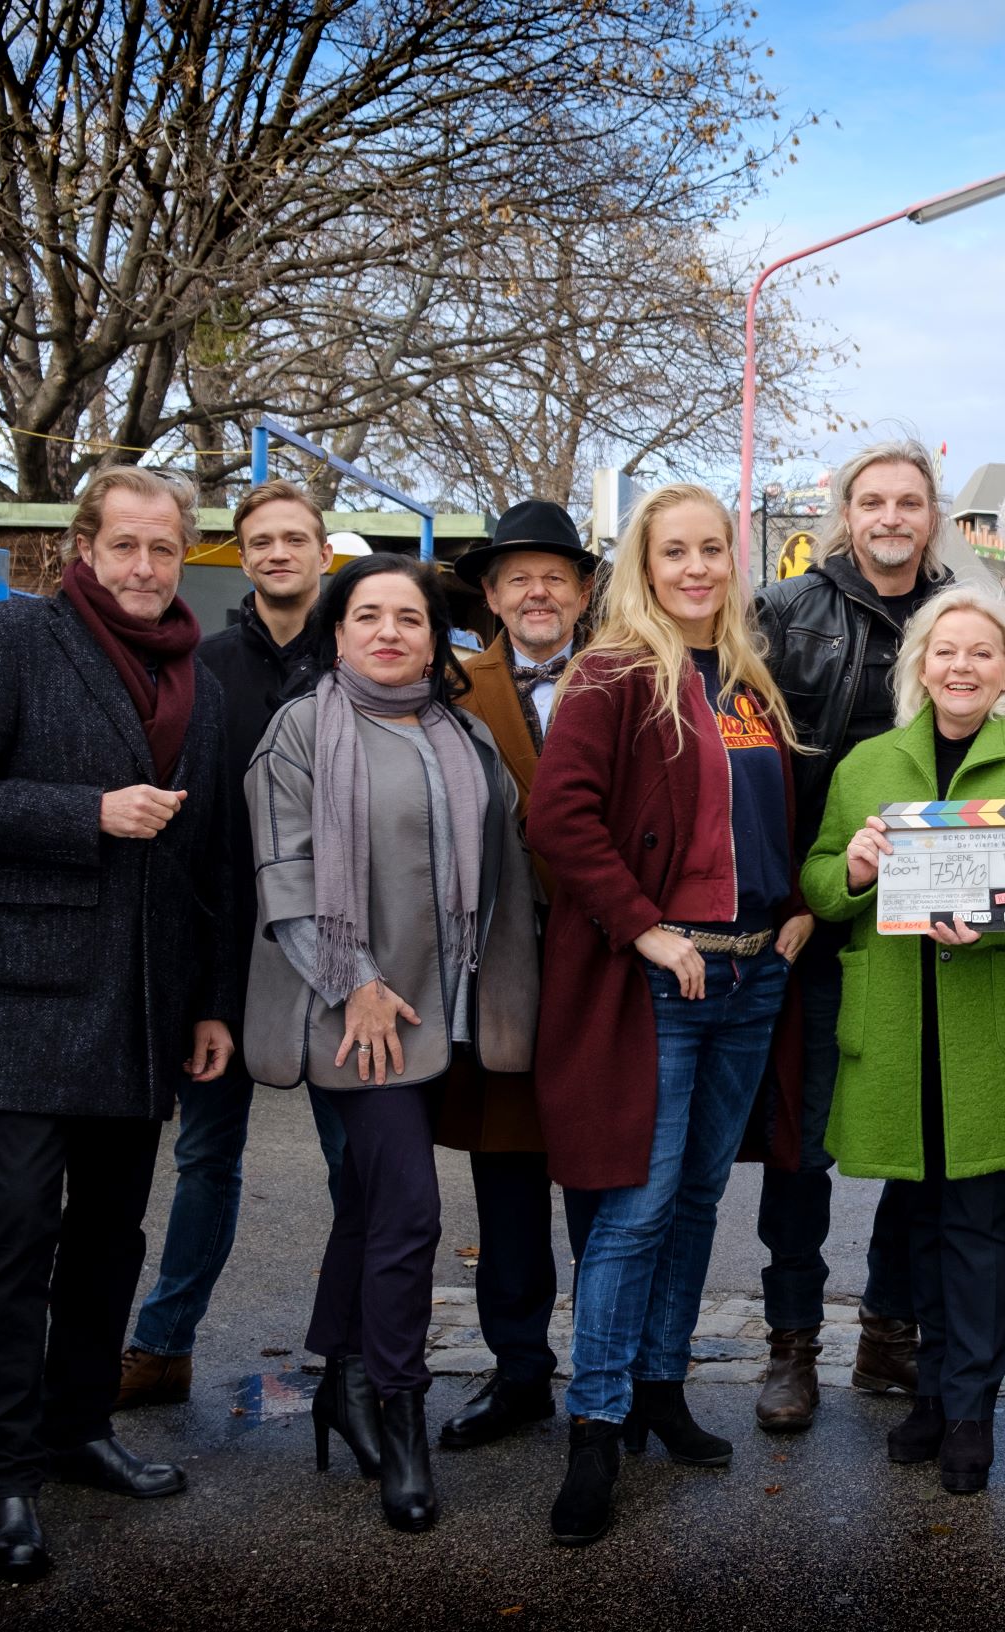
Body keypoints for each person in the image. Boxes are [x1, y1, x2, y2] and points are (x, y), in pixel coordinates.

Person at [0, 466, 237, 1584]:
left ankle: (80, 1423)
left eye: (163, 548)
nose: (145, 568)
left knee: (110, 1233)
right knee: (14, 1238)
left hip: (147, 1000)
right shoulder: (11, 641)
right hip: (28, 995)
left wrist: (209, 1005)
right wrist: (83, 813)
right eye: (125, 546)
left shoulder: (202, 674)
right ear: (83, 548)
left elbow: (211, 861)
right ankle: (4, 1475)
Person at [532, 483, 812, 1546]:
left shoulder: (749, 677)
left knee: (696, 1200)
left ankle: (659, 1388)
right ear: (644, 565)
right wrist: (644, 927)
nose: (695, 568)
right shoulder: (611, 672)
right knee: (635, 1208)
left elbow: (765, 822)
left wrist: (795, 915)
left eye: (711, 551)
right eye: (674, 551)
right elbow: (557, 818)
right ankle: (595, 1425)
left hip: (749, 976)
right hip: (663, 979)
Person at [242, 552, 539, 1533]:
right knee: (410, 1208)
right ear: (337, 632)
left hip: (440, 1014)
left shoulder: (464, 735)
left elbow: (506, 870)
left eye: (407, 618)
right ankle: (402, 1418)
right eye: (367, 615)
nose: (388, 632)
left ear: (433, 635)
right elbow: (285, 874)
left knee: (371, 1206)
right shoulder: (300, 730)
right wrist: (353, 982)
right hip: (353, 1016)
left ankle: (343, 1382)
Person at [804, 586, 1005, 1494]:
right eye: (945, 651)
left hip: (992, 1028)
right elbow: (818, 882)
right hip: (898, 1027)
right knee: (920, 1224)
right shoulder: (866, 764)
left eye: (981, 653)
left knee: (980, 1229)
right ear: (918, 665)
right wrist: (851, 866)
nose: (961, 667)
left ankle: (969, 1407)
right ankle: (927, 1392)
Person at [749, 439, 954, 1429]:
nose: (889, 517)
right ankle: (791, 1344)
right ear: (844, 513)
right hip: (814, 911)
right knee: (804, 1143)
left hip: (930, 918)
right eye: (871, 501)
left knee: (921, 1139)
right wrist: (784, 895)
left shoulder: (960, 617)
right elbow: (750, 770)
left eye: (907, 501)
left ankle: (889, 1327)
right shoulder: (784, 614)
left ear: (931, 513)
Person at [120, 478, 335, 1411]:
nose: (278, 553)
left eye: (295, 538)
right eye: (261, 542)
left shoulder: (364, 655)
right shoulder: (200, 667)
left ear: (324, 552)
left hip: (337, 961)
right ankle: (162, 1346)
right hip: (227, 961)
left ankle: (354, 1355)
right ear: (241, 558)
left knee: (357, 1165)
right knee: (207, 1156)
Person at [433, 498, 602, 1453]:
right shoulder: (449, 684)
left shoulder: (627, 678)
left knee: (605, 1184)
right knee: (505, 1188)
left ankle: (612, 1372)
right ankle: (518, 1370)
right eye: (517, 578)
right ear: (492, 596)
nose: (537, 592)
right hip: (496, 968)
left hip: (601, 966)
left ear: (582, 591)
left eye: (555, 576)